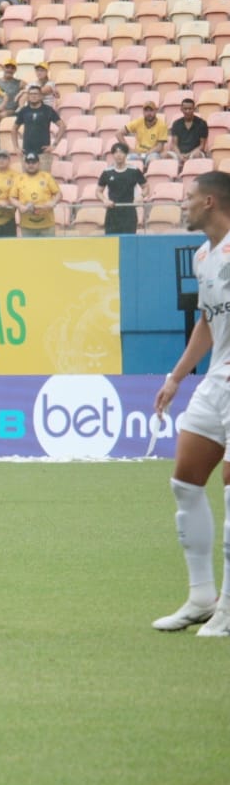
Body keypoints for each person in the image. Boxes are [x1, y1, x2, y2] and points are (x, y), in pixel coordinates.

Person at [153, 173, 230, 636]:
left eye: (186, 200)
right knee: (185, 482)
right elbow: (206, 321)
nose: (182, 207)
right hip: (216, 379)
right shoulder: (204, 256)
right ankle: (203, 596)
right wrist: (175, 378)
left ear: (208, 201)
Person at [99, 143, 147, 235]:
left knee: (128, 242)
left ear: (126, 154)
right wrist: (104, 200)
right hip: (112, 211)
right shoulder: (107, 172)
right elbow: (98, 191)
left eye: (121, 152)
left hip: (129, 211)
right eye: (116, 152)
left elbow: (146, 187)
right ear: (112, 155)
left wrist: (141, 196)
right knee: (111, 243)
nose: (118, 155)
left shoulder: (134, 171)